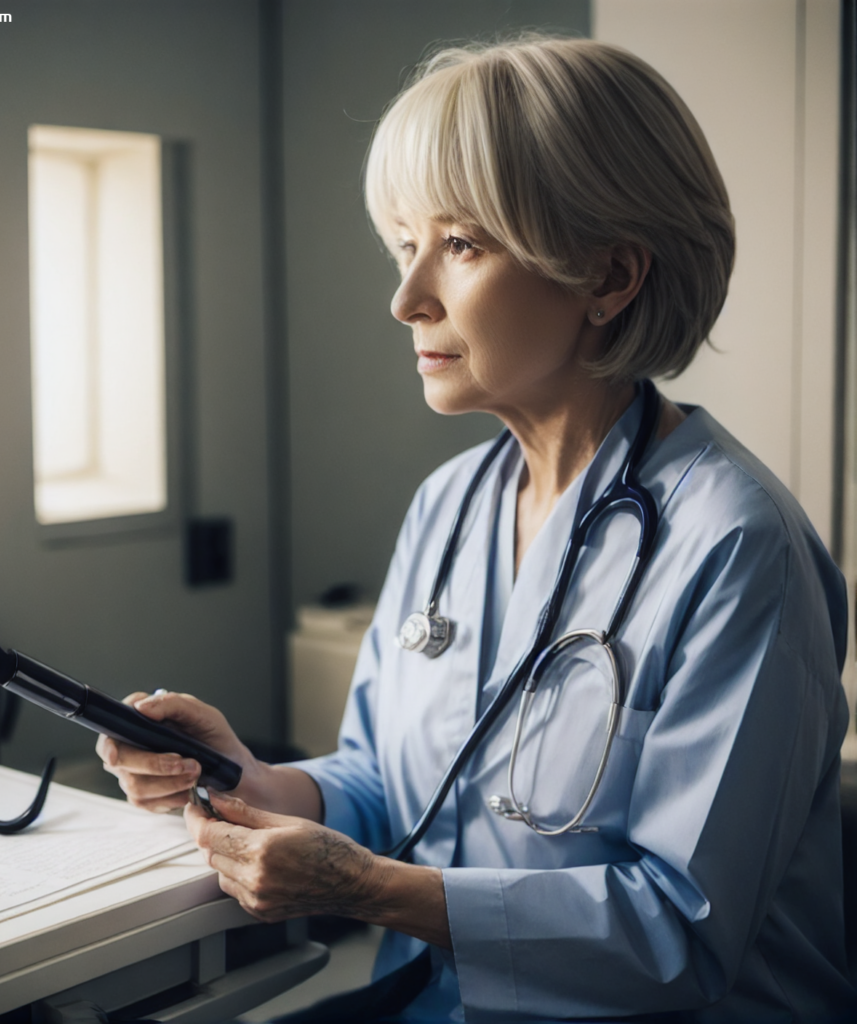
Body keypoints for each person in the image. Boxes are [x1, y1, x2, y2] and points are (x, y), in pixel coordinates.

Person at [97, 37, 856, 1021]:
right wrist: (249, 778)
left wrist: (366, 889)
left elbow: (677, 933)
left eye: (459, 245)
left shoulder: (736, 547)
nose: (405, 298)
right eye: (404, 244)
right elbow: (386, 782)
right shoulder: (451, 504)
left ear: (607, 276)